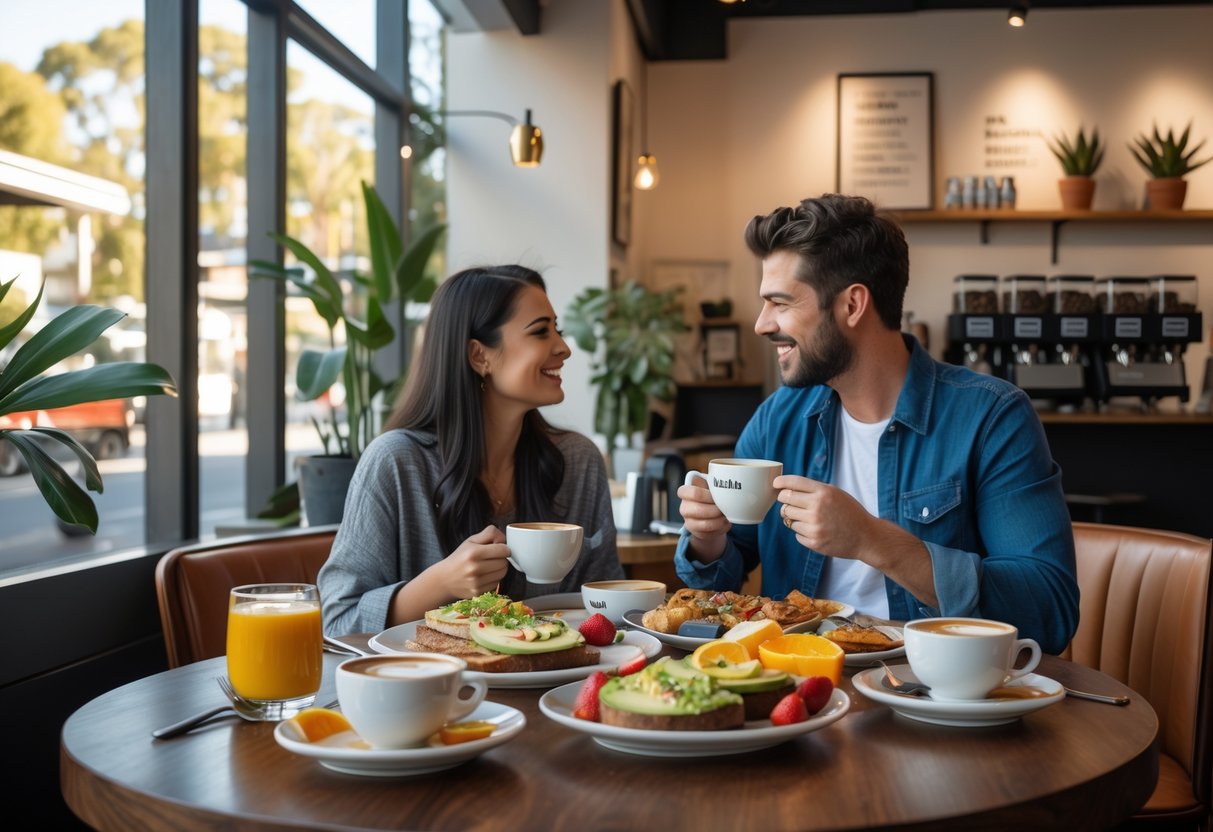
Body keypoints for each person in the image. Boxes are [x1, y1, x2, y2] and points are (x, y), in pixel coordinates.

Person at [674, 195, 1079, 653]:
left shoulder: (991, 418)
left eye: (779, 303)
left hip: (927, 692)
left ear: (852, 305)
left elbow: (1048, 611)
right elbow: (723, 576)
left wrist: (872, 539)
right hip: (799, 687)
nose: (762, 324)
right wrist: (708, 540)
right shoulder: (779, 416)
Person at [319, 265, 624, 635]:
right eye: (541, 331)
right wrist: (440, 584)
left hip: (556, 687)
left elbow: (607, 609)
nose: (563, 348)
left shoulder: (578, 462)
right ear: (479, 356)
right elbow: (336, 624)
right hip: (430, 689)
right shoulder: (395, 463)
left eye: (556, 330)